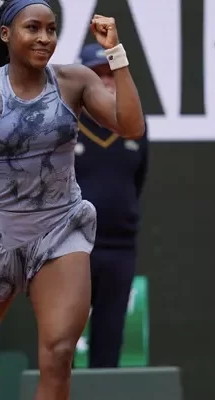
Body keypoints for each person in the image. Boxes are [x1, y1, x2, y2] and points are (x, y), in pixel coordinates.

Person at [0, 0, 145, 399]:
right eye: (33, 28)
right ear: (6, 34)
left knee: (60, 354)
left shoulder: (75, 80)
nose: (45, 38)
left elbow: (131, 126)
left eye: (51, 29)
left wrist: (117, 54)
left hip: (62, 230)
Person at [73, 42, 148, 368]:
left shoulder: (136, 126)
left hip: (120, 248)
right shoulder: (64, 125)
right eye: (96, 74)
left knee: (110, 339)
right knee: (61, 341)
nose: (105, 81)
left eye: (110, 74)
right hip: (71, 247)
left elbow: (138, 180)